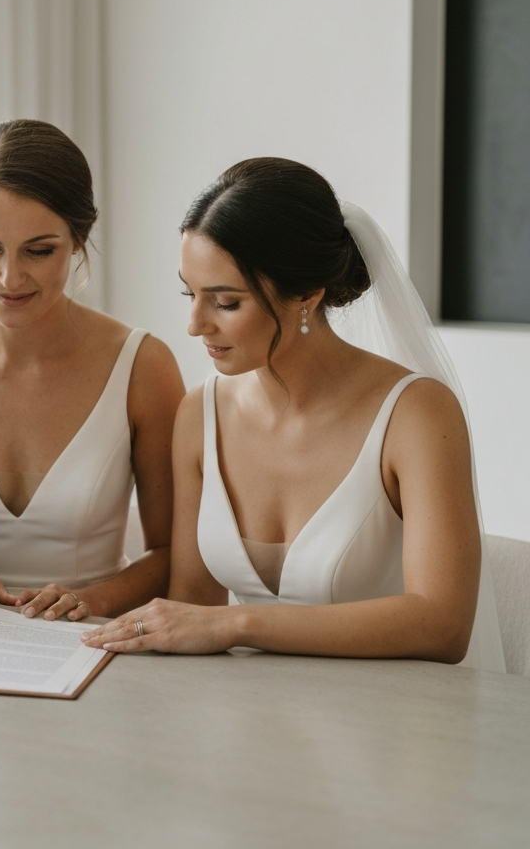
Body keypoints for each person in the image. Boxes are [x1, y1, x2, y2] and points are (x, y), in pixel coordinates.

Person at [82, 158, 505, 671]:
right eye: (189, 294)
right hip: (241, 723)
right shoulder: (201, 414)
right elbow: (192, 606)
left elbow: (442, 624)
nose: (195, 326)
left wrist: (239, 624)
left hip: (389, 727)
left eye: (225, 303)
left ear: (307, 293)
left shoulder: (415, 414)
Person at [0, 119, 185, 621]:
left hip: (95, 636)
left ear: (78, 238)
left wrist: (91, 602)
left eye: (38, 251)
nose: (9, 277)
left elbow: (174, 553)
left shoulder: (142, 367)